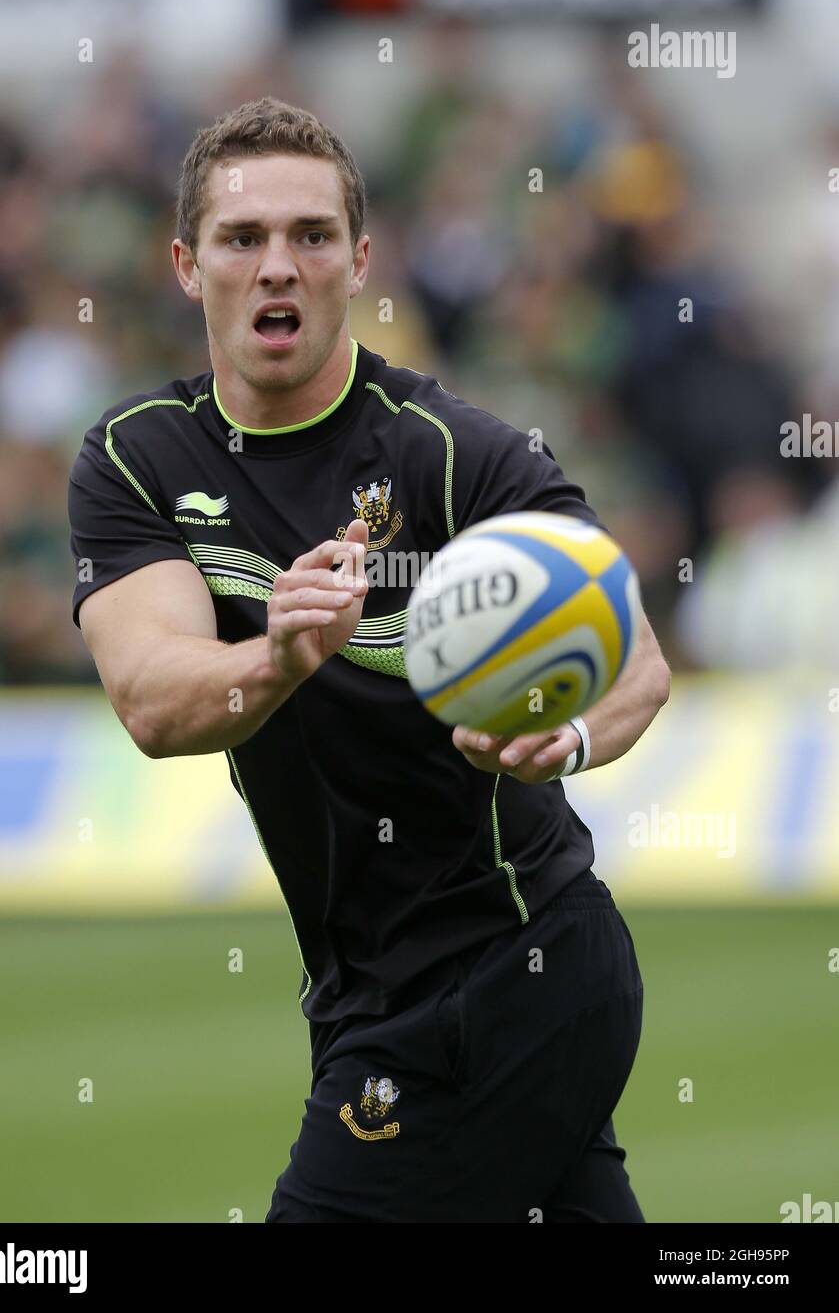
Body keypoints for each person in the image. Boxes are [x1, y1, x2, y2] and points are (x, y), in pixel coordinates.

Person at [67, 96, 670, 1223]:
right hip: (361, 987)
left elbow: (638, 657)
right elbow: (152, 701)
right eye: (244, 240)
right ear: (188, 265)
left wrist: (572, 737)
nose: (278, 267)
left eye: (311, 236)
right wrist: (281, 656)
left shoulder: (459, 455)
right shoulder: (138, 457)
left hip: (512, 966)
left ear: (361, 260)